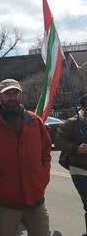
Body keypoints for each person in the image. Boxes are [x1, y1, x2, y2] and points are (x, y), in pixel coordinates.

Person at [0, 79, 51, 236]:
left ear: (20, 95)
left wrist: (43, 177)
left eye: (15, 93)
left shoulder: (35, 121)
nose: (12, 97)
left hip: (35, 199)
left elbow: (46, 151)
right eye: (7, 93)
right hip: (4, 202)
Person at [56, 93, 87, 236]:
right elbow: (59, 141)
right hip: (79, 169)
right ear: (83, 106)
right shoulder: (72, 122)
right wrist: (76, 148)